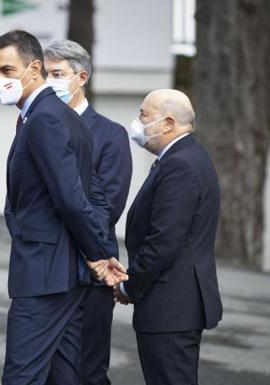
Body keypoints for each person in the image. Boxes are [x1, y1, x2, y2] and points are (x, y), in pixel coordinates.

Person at [0, 30, 127, 385]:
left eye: (6, 70)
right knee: (65, 375)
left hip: (46, 275)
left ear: (34, 69)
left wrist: (98, 253)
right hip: (66, 273)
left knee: (22, 375)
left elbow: (72, 198)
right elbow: (90, 195)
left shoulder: (46, 118)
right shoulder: (61, 116)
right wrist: (101, 252)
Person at [115, 89, 222, 385]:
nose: (137, 121)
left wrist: (128, 286)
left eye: (144, 115)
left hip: (171, 305)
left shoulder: (180, 164)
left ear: (168, 123)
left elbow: (164, 241)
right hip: (175, 304)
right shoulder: (184, 157)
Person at [44, 39, 133, 385]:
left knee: (89, 370)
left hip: (91, 270)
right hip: (47, 270)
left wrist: (85, 251)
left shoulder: (110, 135)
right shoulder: (33, 125)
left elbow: (107, 206)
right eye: (46, 73)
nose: (50, 81)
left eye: (57, 74)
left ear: (81, 77)